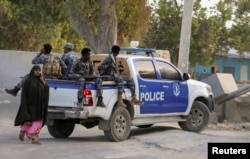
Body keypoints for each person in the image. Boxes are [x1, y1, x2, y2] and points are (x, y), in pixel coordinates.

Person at [14, 65, 49, 144]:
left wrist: (43, 82)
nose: (38, 72)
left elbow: (46, 90)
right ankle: (26, 133)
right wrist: (25, 107)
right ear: (32, 71)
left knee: (38, 122)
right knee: (30, 121)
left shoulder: (41, 81)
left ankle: (32, 136)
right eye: (36, 70)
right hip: (30, 106)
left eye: (39, 70)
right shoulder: (28, 81)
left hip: (39, 106)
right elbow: (24, 95)